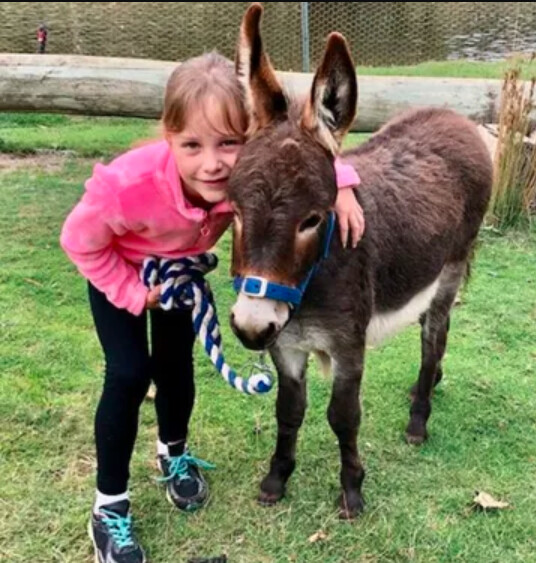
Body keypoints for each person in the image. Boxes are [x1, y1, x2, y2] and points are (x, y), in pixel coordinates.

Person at [60, 51, 364, 563]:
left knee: (177, 370)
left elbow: (301, 157)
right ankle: (108, 506)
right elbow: (78, 241)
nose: (212, 163)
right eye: (192, 145)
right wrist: (134, 293)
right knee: (130, 374)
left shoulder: (240, 181)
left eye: (229, 143)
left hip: (179, 281)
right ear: (168, 136)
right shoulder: (125, 187)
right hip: (119, 276)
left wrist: (345, 182)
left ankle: (173, 458)